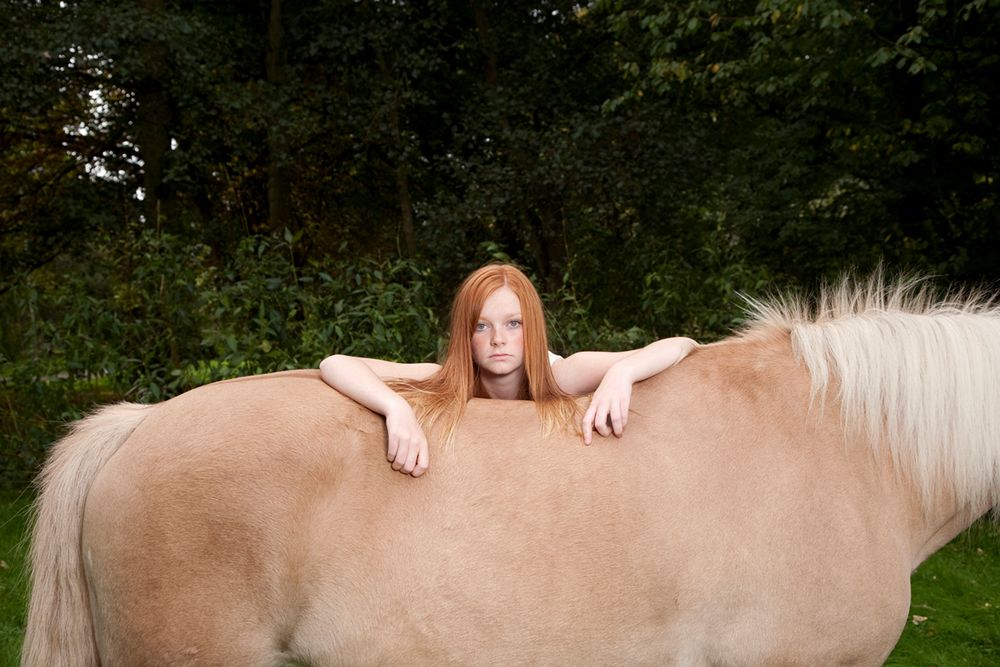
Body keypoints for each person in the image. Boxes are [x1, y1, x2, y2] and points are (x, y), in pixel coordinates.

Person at [319, 263, 696, 477]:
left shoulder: (561, 375)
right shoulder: (449, 378)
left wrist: (621, 373)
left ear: (532, 327)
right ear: (465, 336)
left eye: (513, 324)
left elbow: (683, 345)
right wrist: (395, 408)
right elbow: (335, 363)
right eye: (482, 326)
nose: (498, 339)